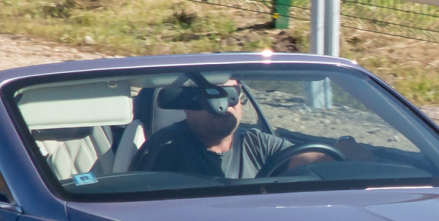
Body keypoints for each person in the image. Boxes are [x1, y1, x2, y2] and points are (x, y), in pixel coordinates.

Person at [138, 76, 342, 180]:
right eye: (211, 96)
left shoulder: (257, 144)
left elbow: (316, 161)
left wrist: (346, 151)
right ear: (186, 105)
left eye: (231, 94)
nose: (223, 105)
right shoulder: (165, 148)